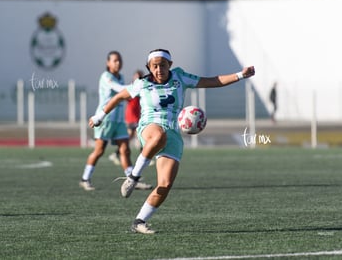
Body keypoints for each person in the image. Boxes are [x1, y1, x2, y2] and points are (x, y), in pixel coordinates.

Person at [89, 49, 255, 234]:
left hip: (173, 134)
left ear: (170, 65)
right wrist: (100, 116)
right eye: (154, 66)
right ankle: (134, 177)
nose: (159, 69)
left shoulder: (180, 78)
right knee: (159, 136)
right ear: (149, 67)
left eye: (162, 65)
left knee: (165, 184)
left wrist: (241, 75)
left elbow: (212, 81)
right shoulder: (142, 84)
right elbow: (119, 96)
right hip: (149, 128)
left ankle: (139, 221)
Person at [79, 51, 152, 192]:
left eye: (119, 60)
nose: (118, 63)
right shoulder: (106, 77)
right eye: (115, 60)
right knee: (99, 151)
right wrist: (138, 86)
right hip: (105, 119)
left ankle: (132, 180)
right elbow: (120, 90)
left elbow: (125, 95)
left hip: (118, 121)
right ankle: (85, 178)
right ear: (108, 63)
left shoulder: (121, 77)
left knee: (125, 150)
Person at [108, 70, 143, 166]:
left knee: (132, 137)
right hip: (132, 117)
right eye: (136, 77)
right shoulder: (132, 88)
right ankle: (145, 156)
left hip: (136, 116)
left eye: (139, 76)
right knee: (139, 137)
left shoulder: (142, 86)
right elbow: (124, 96)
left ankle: (115, 154)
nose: (138, 78)